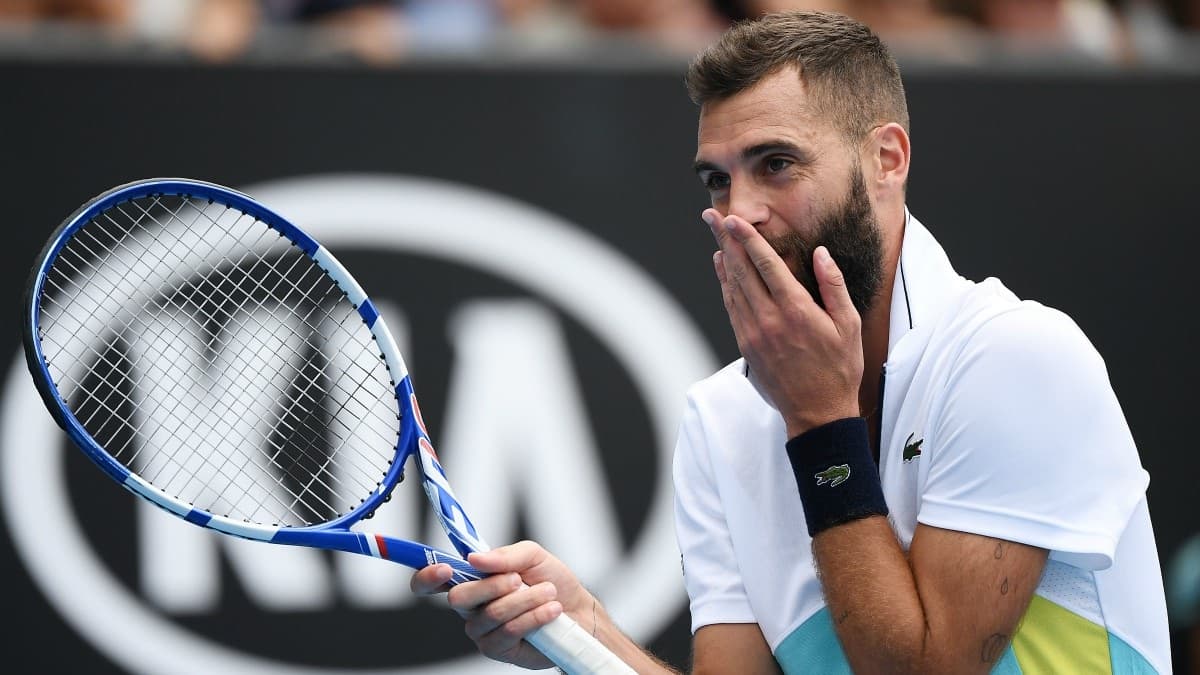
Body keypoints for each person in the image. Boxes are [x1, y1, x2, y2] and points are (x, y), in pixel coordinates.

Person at [412, 10, 1172, 673]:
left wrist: (819, 427)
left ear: (887, 159)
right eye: (717, 179)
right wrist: (581, 632)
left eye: (776, 164)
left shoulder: (1017, 356)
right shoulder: (721, 420)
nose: (737, 212)